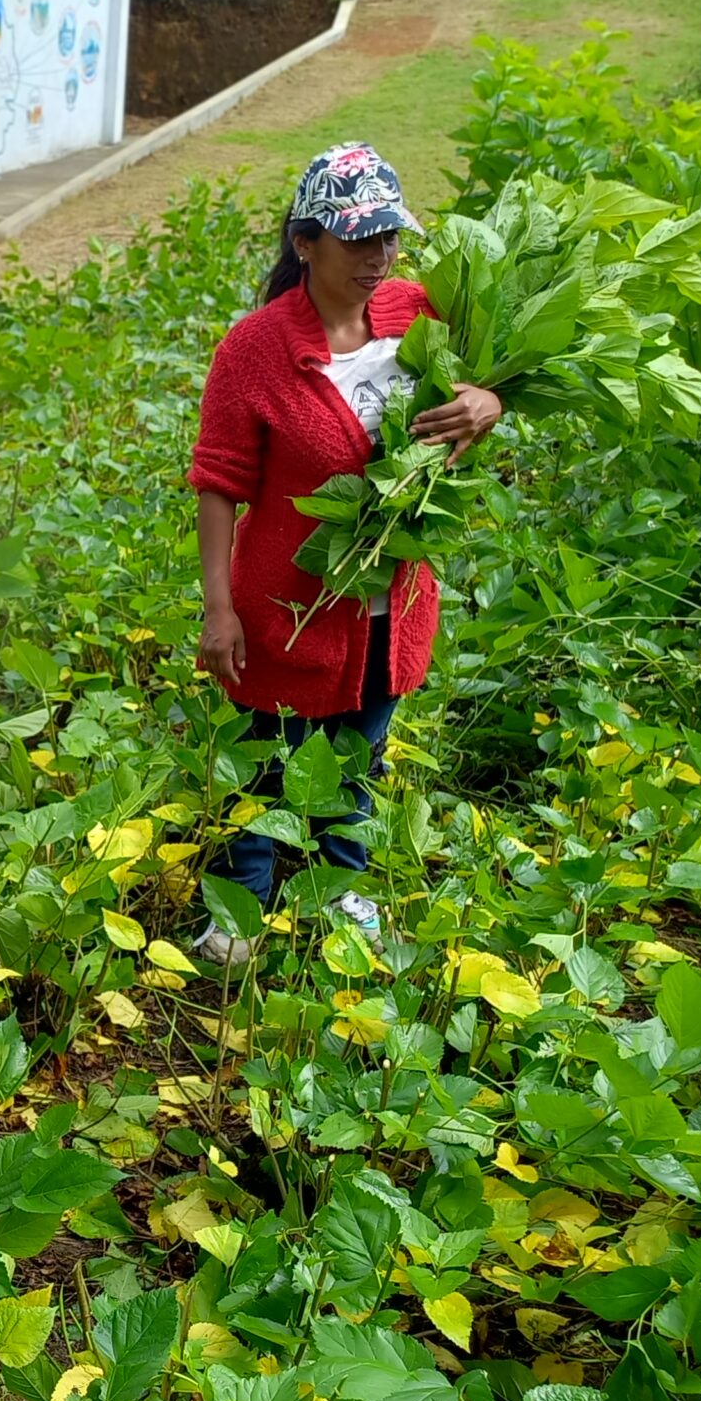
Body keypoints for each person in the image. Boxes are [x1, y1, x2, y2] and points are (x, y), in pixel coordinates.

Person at [188, 141, 504, 963]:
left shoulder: (418, 315)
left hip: (391, 599)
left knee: (359, 757)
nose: (380, 257)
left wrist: (488, 401)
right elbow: (219, 483)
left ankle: (338, 887)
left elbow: (486, 385)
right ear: (306, 243)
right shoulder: (254, 350)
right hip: (286, 602)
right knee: (268, 758)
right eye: (359, 239)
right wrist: (219, 609)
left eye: (389, 237)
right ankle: (237, 905)